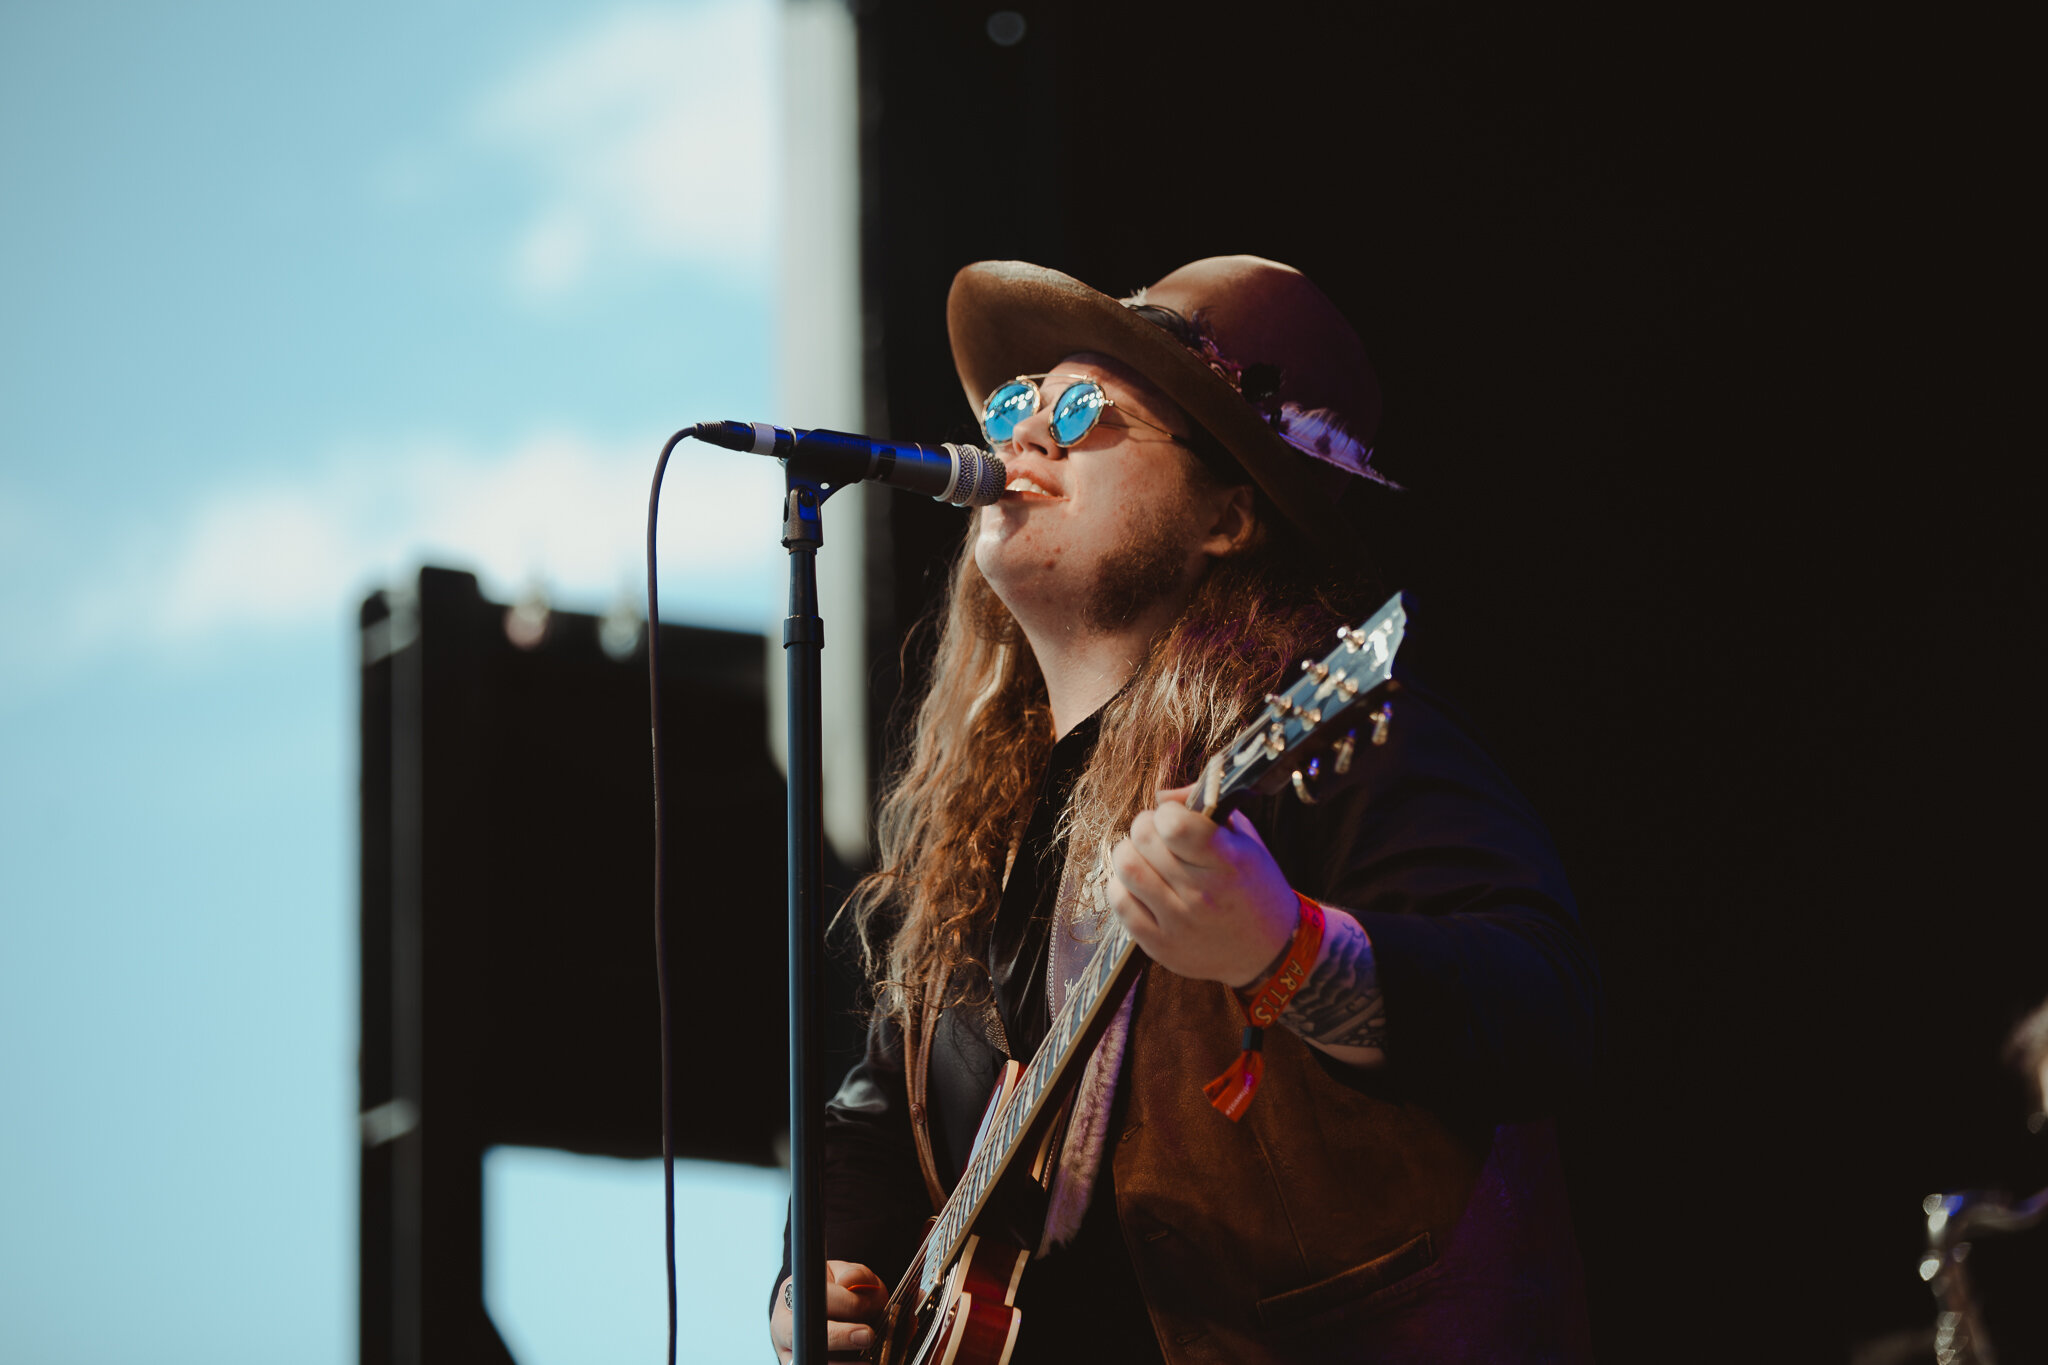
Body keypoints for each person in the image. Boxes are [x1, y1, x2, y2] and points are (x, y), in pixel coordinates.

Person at [769, 255, 1601, 1363]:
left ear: (1225, 516)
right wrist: (812, 1277)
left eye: (1083, 410)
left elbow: (1541, 1006)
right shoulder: (986, 826)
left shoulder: (1320, 742)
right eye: (1019, 402)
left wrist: (1285, 948)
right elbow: (877, 1111)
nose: (1024, 434)